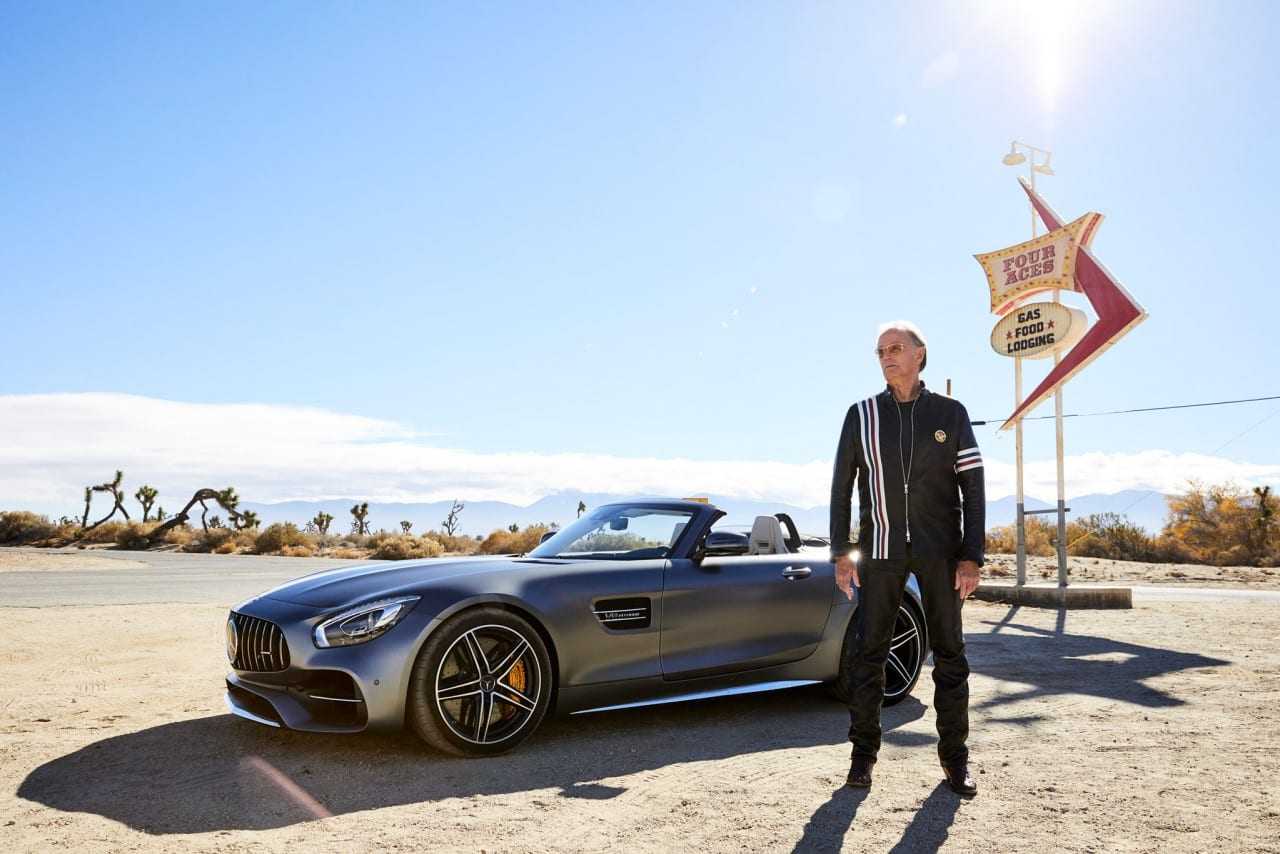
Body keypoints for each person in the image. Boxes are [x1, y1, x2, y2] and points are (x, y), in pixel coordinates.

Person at [829, 320, 985, 797]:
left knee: (950, 655)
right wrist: (841, 552)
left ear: (920, 354)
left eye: (896, 348)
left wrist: (971, 556)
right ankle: (862, 756)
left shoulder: (951, 414)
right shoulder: (861, 415)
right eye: (880, 351)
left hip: (940, 553)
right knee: (868, 654)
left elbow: (974, 489)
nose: (887, 357)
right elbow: (841, 488)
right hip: (880, 550)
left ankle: (955, 759)